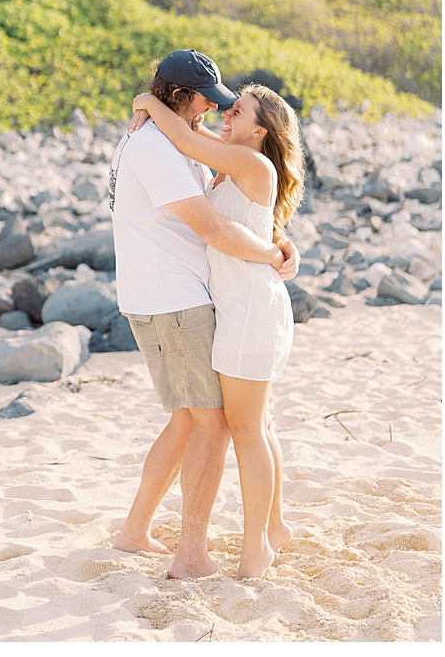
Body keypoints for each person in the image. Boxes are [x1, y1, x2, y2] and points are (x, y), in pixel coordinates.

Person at [107, 49, 298, 580]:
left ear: (260, 132)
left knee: (228, 426)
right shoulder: (169, 145)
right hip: (181, 301)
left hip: (228, 304)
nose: (218, 112)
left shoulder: (207, 150)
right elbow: (219, 228)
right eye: (210, 103)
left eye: (234, 110)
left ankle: (250, 537)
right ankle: (195, 550)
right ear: (184, 97)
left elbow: (235, 218)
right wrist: (272, 249)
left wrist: (275, 248)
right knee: (221, 425)